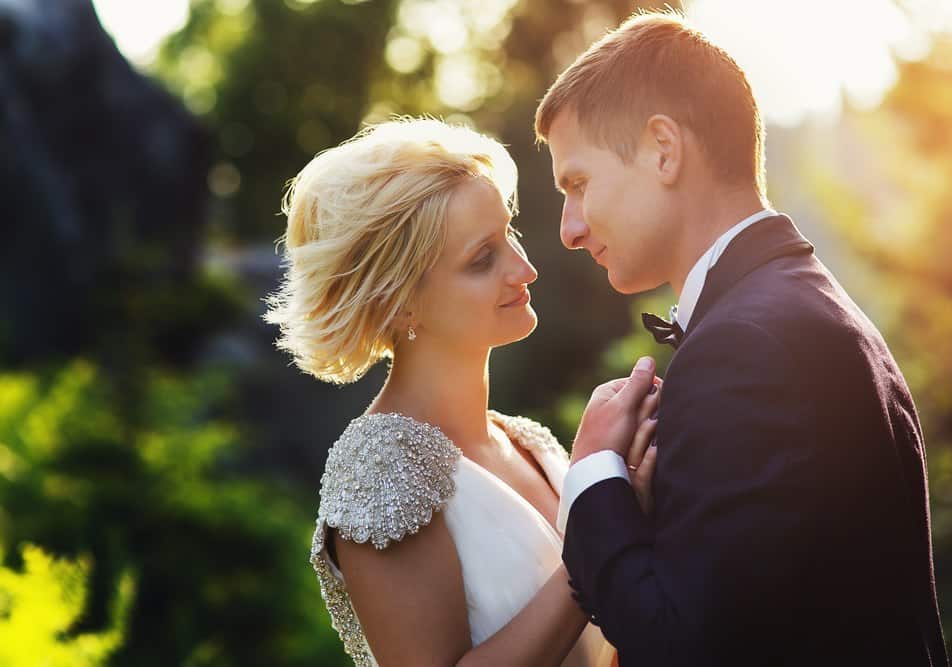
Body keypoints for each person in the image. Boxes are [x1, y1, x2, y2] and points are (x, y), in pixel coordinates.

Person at [534, 9, 949, 667]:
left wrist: (593, 475)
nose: (569, 228)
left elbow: (684, 645)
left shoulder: (749, 345)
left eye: (578, 184)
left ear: (663, 149)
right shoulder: (797, 306)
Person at [263, 118, 657, 666]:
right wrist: (599, 534)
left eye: (510, 235)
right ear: (399, 302)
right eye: (481, 259)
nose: (525, 268)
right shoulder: (381, 471)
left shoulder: (530, 443)